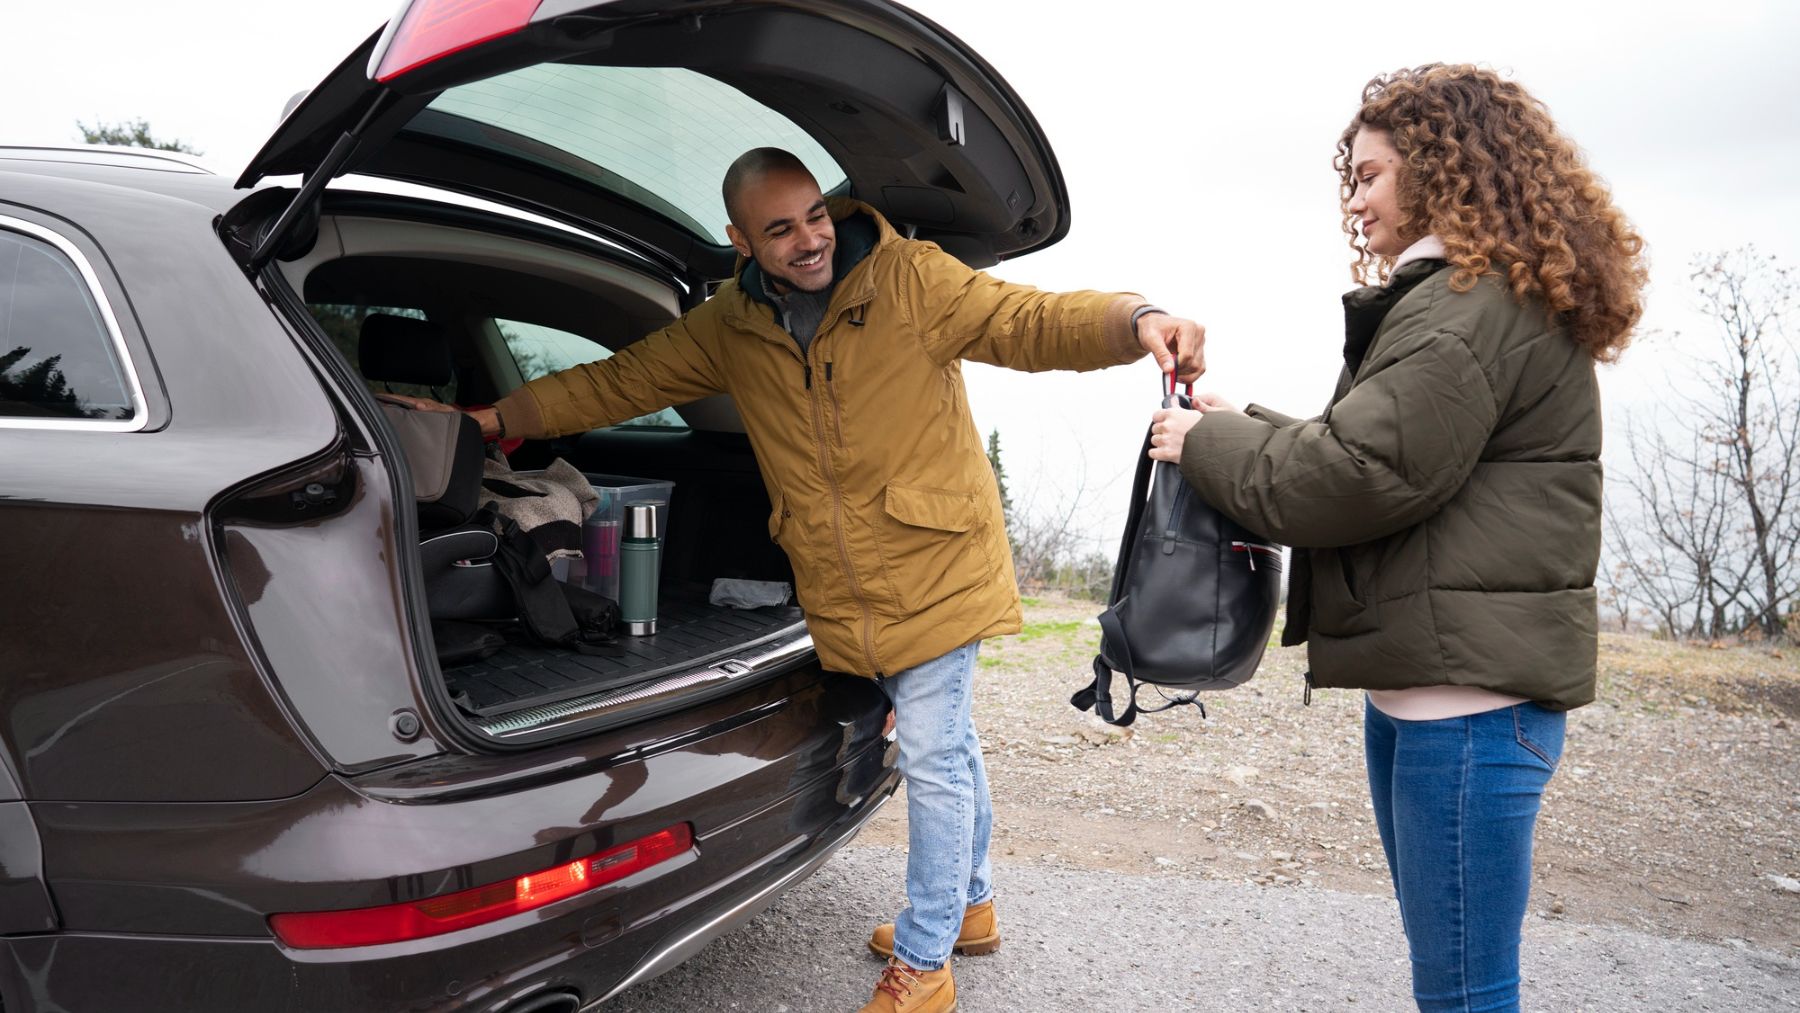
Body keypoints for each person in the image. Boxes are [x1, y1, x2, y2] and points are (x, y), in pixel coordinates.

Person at [396, 147, 1204, 1013]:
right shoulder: (730, 327)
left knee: (932, 754)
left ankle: (927, 964)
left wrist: (1135, 319)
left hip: (936, 561)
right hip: (847, 579)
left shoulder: (911, 279)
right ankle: (969, 906)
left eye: (814, 214)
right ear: (741, 241)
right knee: (951, 744)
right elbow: (619, 381)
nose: (809, 239)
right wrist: (492, 418)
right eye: (780, 229)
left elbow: (1030, 320)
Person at [1148, 66, 1645, 1012]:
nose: (1356, 198)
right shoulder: (1469, 298)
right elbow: (1381, 451)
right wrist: (1236, 419)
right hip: (1438, 700)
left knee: (1463, 993)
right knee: (1454, 980)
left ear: (1440, 172)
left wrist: (1207, 445)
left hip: (1467, 712)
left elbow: (1360, 477)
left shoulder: (1470, 308)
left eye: (1371, 175)